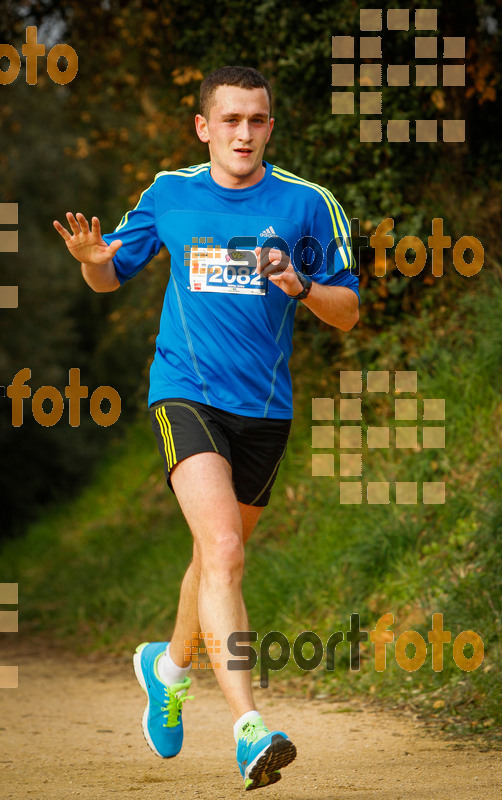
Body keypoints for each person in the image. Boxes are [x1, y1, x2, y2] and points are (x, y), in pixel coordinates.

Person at [53, 65, 359, 791]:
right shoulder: (169, 192)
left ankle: (166, 668)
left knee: (213, 557)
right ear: (203, 126)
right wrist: (94, 264)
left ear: (270, 127)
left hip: (265, 412)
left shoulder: (306, 205)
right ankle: (250, 728)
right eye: (230, 121)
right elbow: (110, 275)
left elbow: (346, 310)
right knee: (222, 548)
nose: (243, 133)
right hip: (185, 395)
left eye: (256, 121)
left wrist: (302, 286)